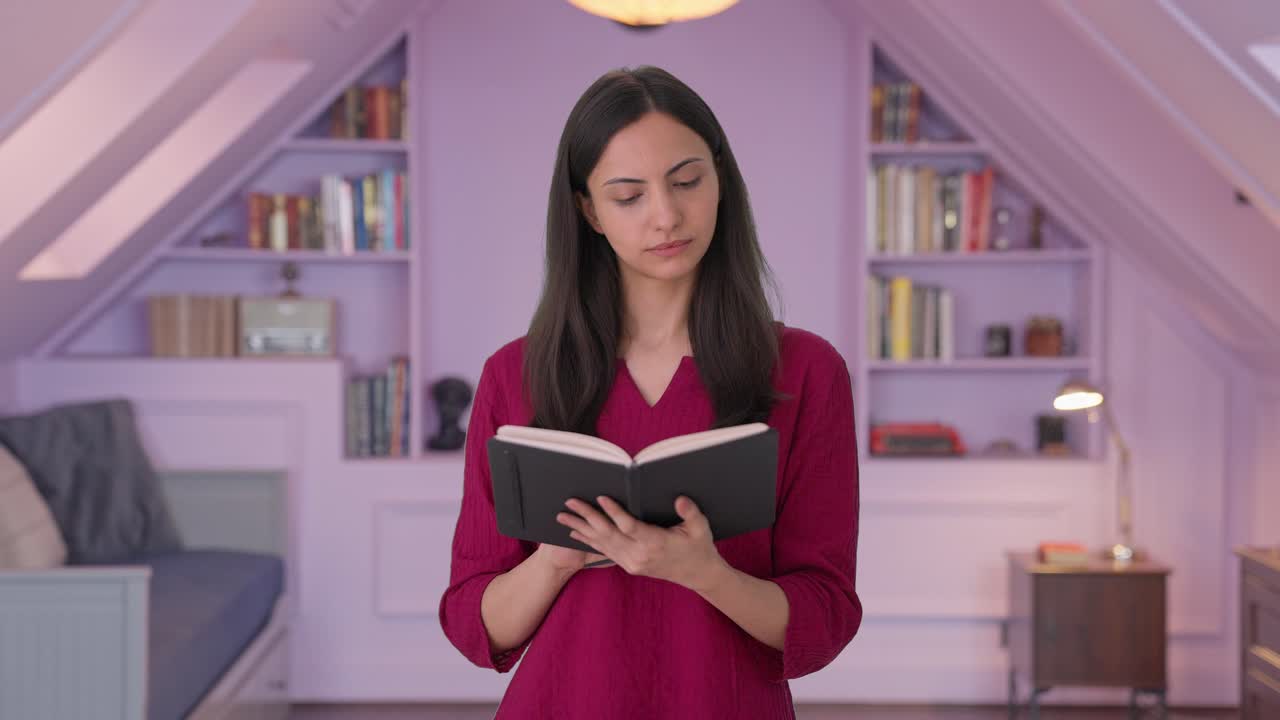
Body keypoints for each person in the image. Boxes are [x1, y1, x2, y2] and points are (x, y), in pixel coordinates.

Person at [438, 65, 861, 720]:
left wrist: (703, 572)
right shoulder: (514, 376)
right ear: (589, 210)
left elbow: (825, 617)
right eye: (629, 195)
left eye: (687, 181)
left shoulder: (805, 371)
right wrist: (555, 561)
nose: (666, 215)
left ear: (721, 180)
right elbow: (475, 622)